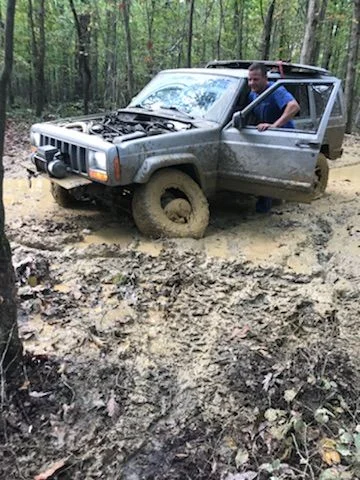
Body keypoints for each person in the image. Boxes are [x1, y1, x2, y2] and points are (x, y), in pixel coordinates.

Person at [247, 62, 300, 212]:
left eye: (256, 79)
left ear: (265, 78)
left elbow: (294, 106)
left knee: (269, 172)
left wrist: (275, 125)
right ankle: (276, 199)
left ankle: (263, 213)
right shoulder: (252, 94)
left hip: (283, 136)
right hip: (266, 138)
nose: (252, 83)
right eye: (249, 79)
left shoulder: (275, 90)